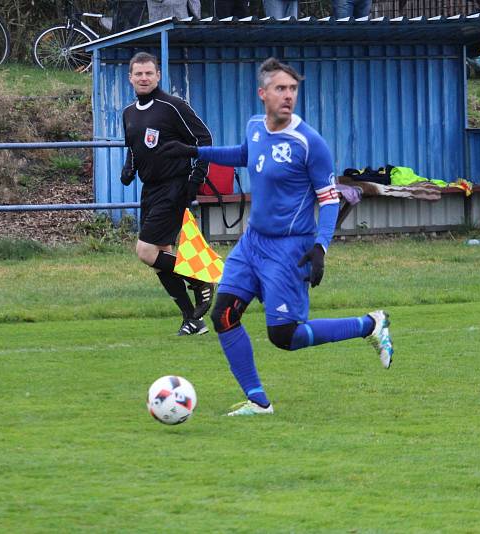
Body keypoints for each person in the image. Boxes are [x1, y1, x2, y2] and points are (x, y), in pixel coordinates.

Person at [157, 58, 394, 416]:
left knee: (284, 337)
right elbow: (244, 155)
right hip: (253, 242)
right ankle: (258, 401)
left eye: (293, 89)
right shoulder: (255, 127)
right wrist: (193, 152)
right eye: (281, 89)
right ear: (262, 94)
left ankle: (370, 324)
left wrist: (320, 248)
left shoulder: (309, 142)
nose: (288, 96)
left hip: (289, 249)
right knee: (223, 316)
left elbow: (329, 197)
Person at [120, 52, 215, 336]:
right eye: (139, 74)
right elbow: (135, 147)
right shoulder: (128, 113)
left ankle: (200, 277)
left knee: (146, 251)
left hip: (174, 187)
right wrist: (129, 167)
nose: (144, 78)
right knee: (162, 257)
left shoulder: (173, 106)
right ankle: (192, 320)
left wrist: (196, 179)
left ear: (158, 75)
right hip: (150, 190)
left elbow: (204, 139)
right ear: (131, 78)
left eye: (149, 73)